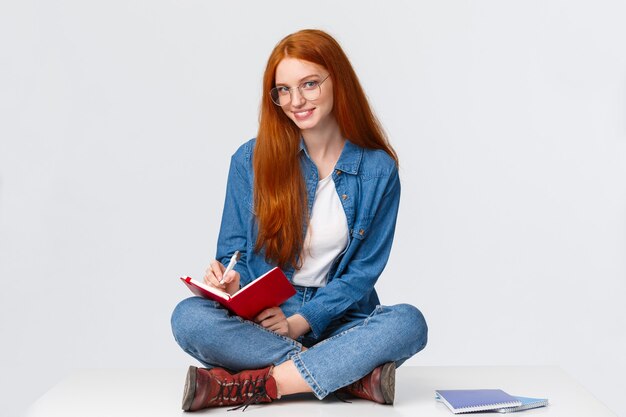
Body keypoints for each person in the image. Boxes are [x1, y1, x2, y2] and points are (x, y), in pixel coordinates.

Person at [170, 29, 428, 411]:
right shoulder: (250, 160)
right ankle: (350, 376)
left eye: (309, 84)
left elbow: (361, 275)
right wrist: (228, 279)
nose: (297, 101)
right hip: (265, 318)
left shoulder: (378, 169)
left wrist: (301, 323)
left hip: (341, 319)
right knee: (188, 317)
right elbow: (233, 252)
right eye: (284, 90)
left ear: (337, 81)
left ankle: (261, 384)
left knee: (409, 323)